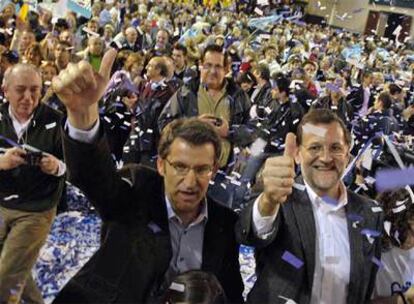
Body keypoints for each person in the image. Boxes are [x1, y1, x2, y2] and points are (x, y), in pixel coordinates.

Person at [51, 48, 244, 303]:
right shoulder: (137, 192)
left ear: (214, 171)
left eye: (201, 170)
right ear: (162, 165)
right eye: (180, 167)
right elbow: (93, 177)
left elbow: (231, 293)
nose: (189, 182)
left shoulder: (224, 223)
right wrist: (82, 116)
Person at [236, 109, 383, 303]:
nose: (325, 158)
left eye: (335, 148)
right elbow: (251, 232)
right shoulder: (280, 199)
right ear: (297, 154)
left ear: (347, 155)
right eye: (315, 147)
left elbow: (365, 285)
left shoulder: (371, 214)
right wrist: (268, 200)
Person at [0, 64, 65, 303]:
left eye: (35, 90)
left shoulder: (56, 120)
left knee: (6, 281)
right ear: (5, 90)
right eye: (20, 90)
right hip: (1, 203)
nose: (28, 98)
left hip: (36, 209)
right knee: (16, 270)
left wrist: (57, 166)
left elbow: (73, 166)